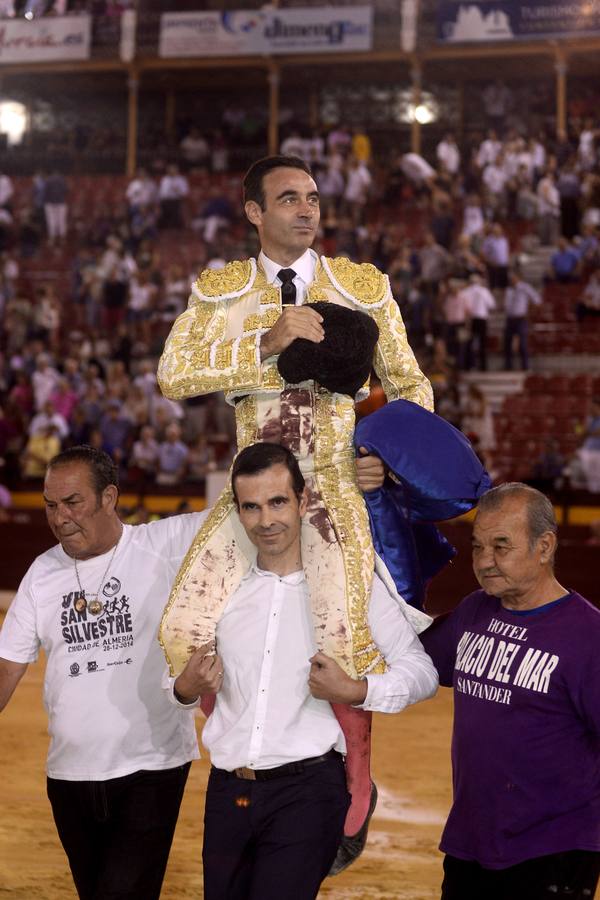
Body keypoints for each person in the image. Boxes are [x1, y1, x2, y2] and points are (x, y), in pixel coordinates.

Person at [157, 153, 434, 867]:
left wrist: (388, 455)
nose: (306, 209)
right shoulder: (225, 292)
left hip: (336, 488)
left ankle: (356, 779)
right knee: (185, 628)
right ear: (254, 212)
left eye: (312, 198)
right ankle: (239, 763)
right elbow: (173, 374)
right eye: (288, 199)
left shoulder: (360, 286)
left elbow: (410, 384)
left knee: (341, 640)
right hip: (251, 495)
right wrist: (265, 343)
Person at [170, 442, 439, 900]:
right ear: (238, 511)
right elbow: (176, 677)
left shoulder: (351, 585)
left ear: (302, 500)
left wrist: (357, 690)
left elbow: (422, 672)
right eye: (252, 507)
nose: (266, 520)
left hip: (309, 792)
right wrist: (184, 689)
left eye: (278, 502)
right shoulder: (217, 590)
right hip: (227, 792)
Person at [0, 446, 204, 900]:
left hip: (151, 767)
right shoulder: (41, 573)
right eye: (51, 505)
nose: (59, 517)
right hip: (69, 775)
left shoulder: (164, 544)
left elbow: (246, 504)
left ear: (108, 497)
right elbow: (7, 668)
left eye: (73, 502)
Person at [421, 483, 600, 900]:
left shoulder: (589, 637)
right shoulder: (474, 610)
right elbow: (416, 664)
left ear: (545, 546)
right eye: (478, 547)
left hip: (555, 850)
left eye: (502, 547)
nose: (485, 562)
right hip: (472, 841)